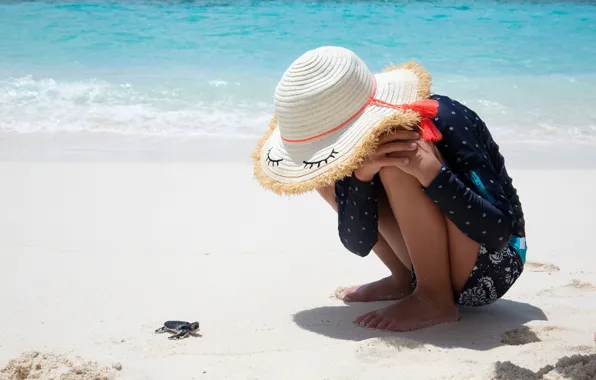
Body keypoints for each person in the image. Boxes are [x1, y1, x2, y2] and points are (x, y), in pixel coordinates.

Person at [251, 46, 526, 332]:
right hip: (428, 262)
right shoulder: (353, 154)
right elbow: (357, 243)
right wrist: (361, 177)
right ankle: (404, 278)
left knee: (399, 157)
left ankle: (434, 297)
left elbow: (498, 231)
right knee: (325, 176)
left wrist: (433, 174)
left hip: (495, 264)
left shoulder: (446, 117)